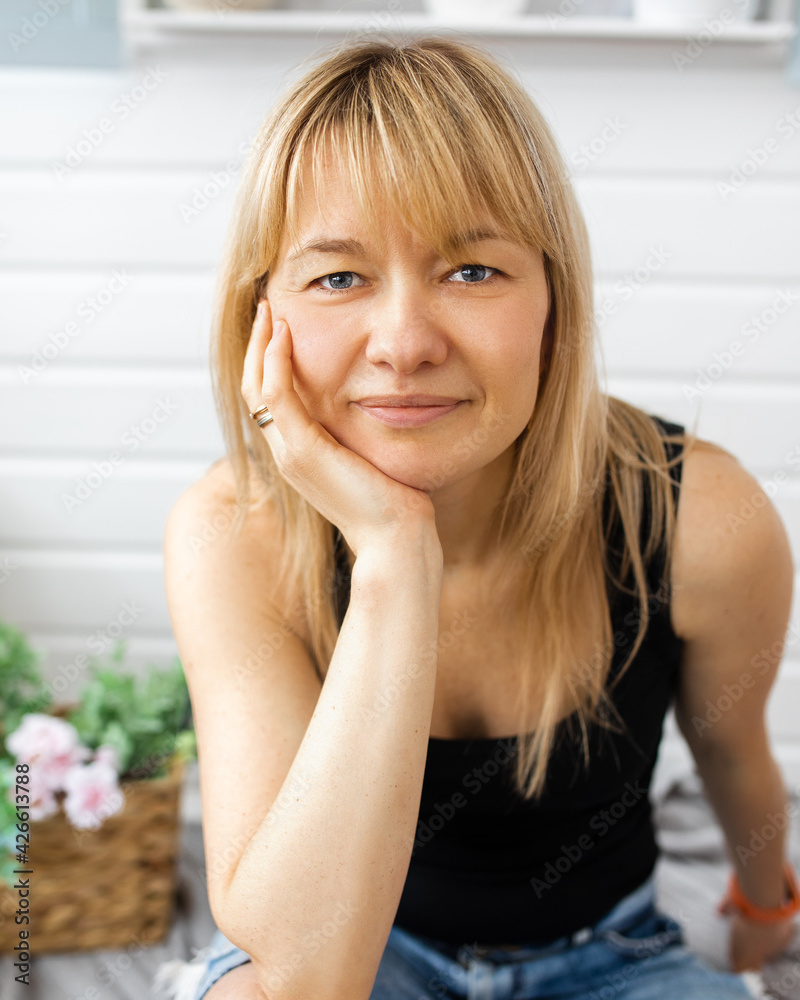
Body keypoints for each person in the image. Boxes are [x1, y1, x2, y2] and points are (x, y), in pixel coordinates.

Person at [153, 34, 798, 1000]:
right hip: (371, 958)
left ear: (554, 301)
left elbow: (732, 749)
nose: (405, 343)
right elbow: (303, 972)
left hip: (614, 958)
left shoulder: (698, 514)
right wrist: (394, 553)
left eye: (471, 271)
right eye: (338, 277)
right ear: (262, 322)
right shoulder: (230, 532)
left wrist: (765, 914)